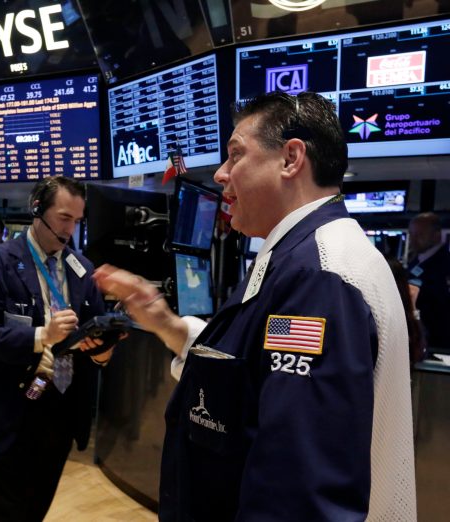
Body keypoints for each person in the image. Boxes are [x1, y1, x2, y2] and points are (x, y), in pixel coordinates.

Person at [94, 92, 416, 520]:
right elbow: (250, 369)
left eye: (235, 155)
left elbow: (298, 491)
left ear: (291, 158)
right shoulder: (299, 256)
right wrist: (166, 323)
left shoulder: (318, 275)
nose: (221, 174)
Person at [0, 176, 114, 521]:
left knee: (37, 507)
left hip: (62, 407)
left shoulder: (81, 268)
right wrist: (41, 336)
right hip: (13, 408)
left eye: (77, 221)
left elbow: (96, 329)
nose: (69, 230)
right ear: (37, 209)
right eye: (64, 218)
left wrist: (102, 351)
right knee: (7, 511)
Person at [407, 212, 450, 349]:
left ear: (436, 235)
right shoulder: (416, 260)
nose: (413, 240)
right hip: (417, 335)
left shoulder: (445, 264)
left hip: (436, 340)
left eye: (419, 235)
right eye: (412, 234)